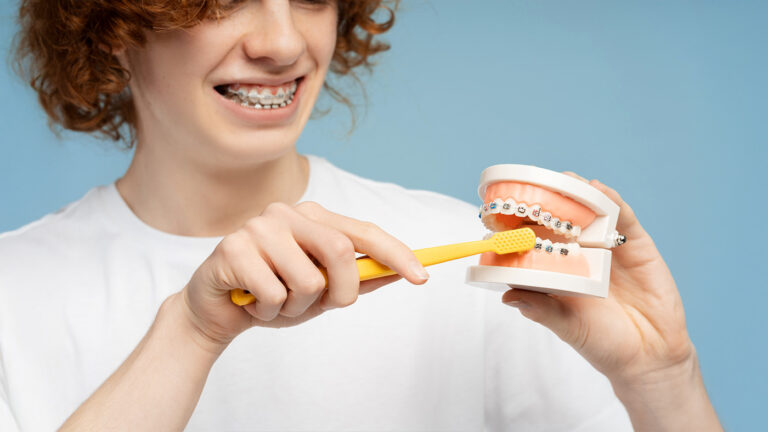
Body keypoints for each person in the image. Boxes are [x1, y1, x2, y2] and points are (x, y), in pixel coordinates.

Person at [1, 0, 722, 430]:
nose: (283, 43)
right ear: (112, 24)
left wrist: (666, 381)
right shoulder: (14, 294)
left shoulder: (480, 265)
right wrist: (190, 331)